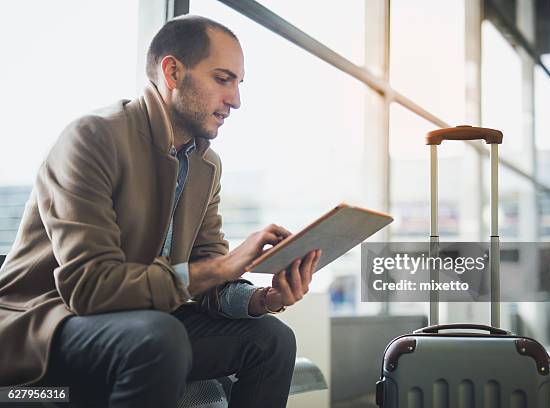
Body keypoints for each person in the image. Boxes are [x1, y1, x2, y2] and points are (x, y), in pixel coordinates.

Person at [0, 15, 321, 408]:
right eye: (223, 79)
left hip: (144, 318)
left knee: (271, 339)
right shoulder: (92, 138)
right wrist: (221, 267)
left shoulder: (206, 165)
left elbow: (207, 273)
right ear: (172, 72)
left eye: (238, 83)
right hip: (48, 324)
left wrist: (264, 299)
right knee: (159, 336)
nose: (235, 99)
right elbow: (90, 288)